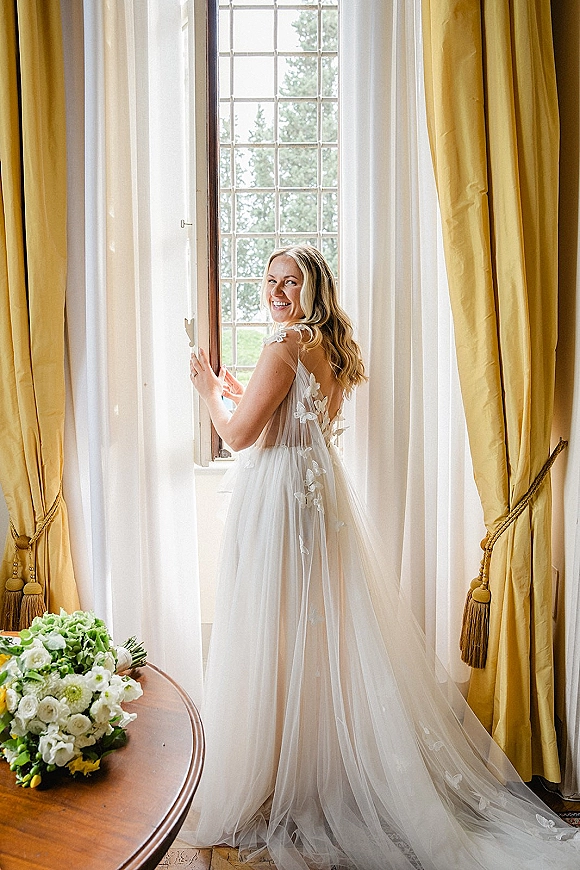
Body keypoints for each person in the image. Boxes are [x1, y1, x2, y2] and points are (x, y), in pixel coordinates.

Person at [189, 245, 579, 870]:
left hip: (281, 501)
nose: (276, 292)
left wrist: (211, 393)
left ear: (313, 286)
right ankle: (310, 765)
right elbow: (290, 421)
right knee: (316, 635)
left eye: (290, 282)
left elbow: (238, 437)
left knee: (277, 633)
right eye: (269, 282)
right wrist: (242, 392)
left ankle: (280, 775)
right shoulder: (327, 347)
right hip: (317, 498)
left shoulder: (283, 345)